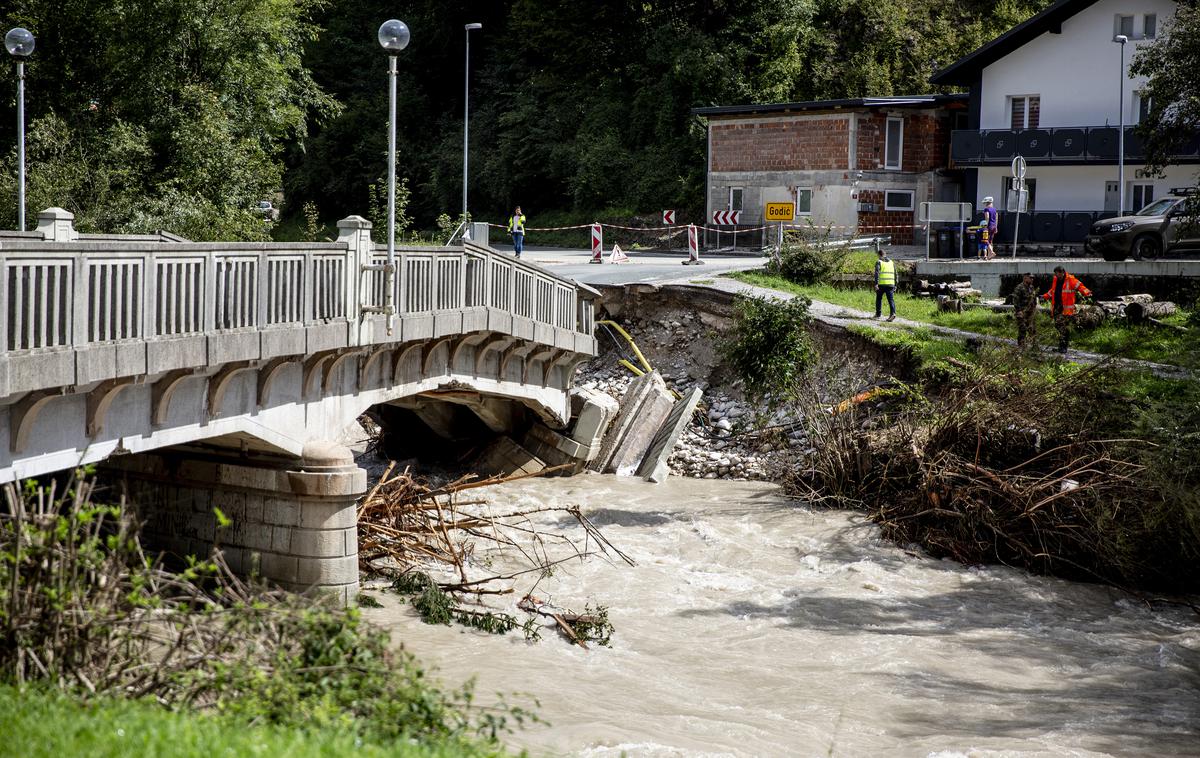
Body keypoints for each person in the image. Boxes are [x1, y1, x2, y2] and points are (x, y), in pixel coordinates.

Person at [1041, 265, 1092, 353]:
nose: (1057, 275)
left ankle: (1063, 347)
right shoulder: (1055, 280)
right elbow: (1052, 291)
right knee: (1058, 326)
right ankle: (1061, 346)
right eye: (1056, 274)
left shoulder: (1070, 280)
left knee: (1064, 328)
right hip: (1057, 307)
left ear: (1063, 272)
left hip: (1066, 309)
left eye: (1058, 274)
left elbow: (1080, 286)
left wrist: (1087, 292)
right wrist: (1045, 296)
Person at [1011, 272, 1039, 348]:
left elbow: (1034, 298)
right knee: (1022, 329)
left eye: (1032, 278)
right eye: (1030, 278)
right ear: (1025, 278)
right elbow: (1016, 300)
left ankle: (1034, 345)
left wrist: (1035, 307)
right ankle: (1021, 345)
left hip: (1030, 312)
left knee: (1032, 329)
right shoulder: (1019, 287)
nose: (1032, 279)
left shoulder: (1032, 287)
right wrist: (1019, 311)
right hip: (1022, 312)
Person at [874, 246, 897, 322]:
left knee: (879, 299)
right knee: (891, 300)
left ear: (879, 255)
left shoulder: (879, 262)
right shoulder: (892, 262)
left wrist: (876, 284)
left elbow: (877, 273)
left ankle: (878, 314)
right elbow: (896, 274)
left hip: (881, 284)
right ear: (885, 254)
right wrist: (896, 284)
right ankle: (892, 313)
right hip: (891, 284)